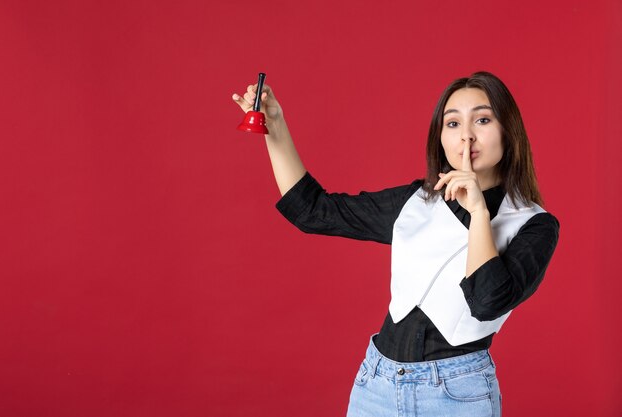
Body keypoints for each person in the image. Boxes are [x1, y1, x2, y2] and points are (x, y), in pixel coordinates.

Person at [232, 72, 559, 417]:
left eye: (482, 119)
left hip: (457, 395)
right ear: (440, 138)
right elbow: (313, 211)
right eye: (452, 123)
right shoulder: (416, 201)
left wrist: (478, 211)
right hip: (377, 385)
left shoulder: (533, 225)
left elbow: (487, 301)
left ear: (508, 130)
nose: (466, 136)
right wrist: (276, 127)